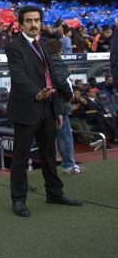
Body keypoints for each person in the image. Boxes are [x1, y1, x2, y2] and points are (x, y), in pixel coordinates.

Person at [5, 5, 82, 218]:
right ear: (20, 24)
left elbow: (54, 77)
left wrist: (58, 108)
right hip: (26, 108)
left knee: (49, 154)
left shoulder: (45, 45)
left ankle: (55, 193)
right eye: (29, 21)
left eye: (37, 20)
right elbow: (18, 76)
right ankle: (19, 200)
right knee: (20, 157)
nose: (33, 24)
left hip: (48, 107)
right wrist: (37, 93)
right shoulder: (14, 47)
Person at [47, 39, 83, 174]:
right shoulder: (56, 61)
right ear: (59, 49)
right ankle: (68, 164)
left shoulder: (45, 61)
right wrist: (69, 95)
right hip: (59, 103)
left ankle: (55, 166)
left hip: (49, 103)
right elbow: (62, 81)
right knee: (65, 135)